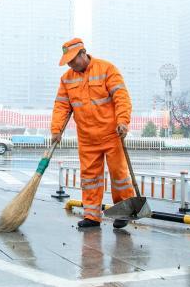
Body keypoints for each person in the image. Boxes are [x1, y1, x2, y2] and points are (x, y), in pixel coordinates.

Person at [51, 38, 135, 229]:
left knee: (119, 175)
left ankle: (124, 212)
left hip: (112, 134)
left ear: (83, 53)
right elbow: (61, 106)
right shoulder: (66, 79)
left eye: (74, 60)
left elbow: (122, 98)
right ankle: (91, 216)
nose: (71, 64)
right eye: (68, 62)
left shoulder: (107, 69)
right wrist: (56, 130)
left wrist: (122, 121)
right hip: (87, 138)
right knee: (89, 177)